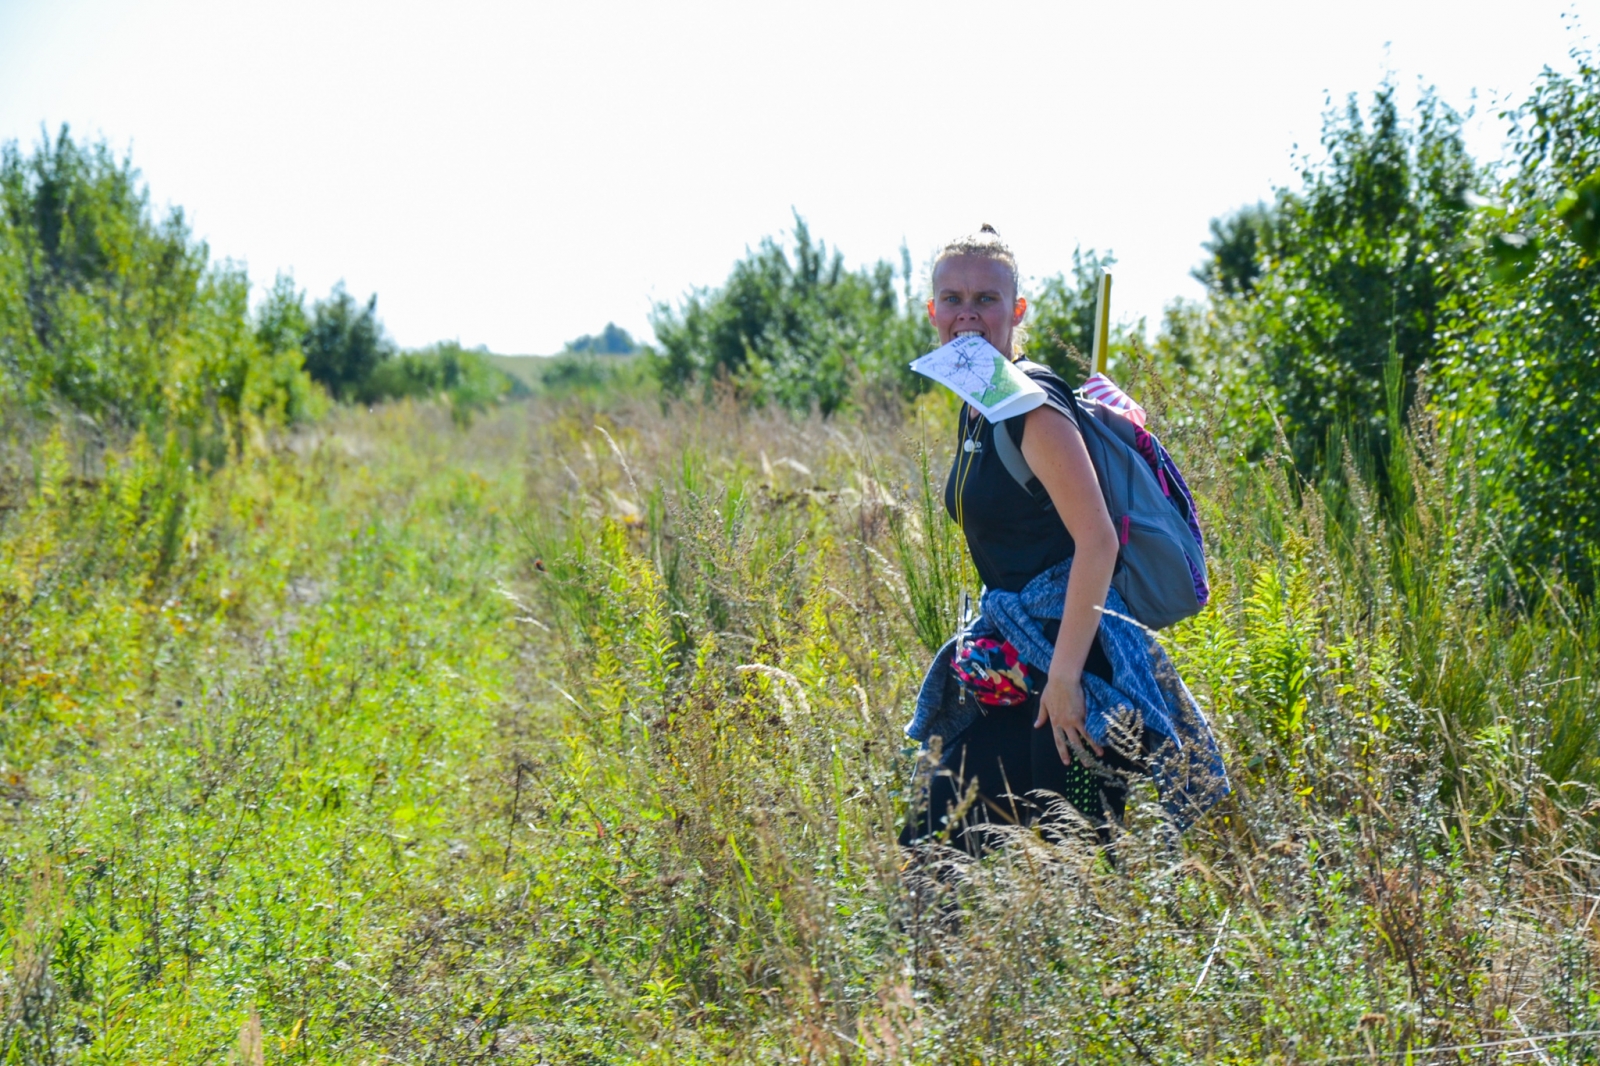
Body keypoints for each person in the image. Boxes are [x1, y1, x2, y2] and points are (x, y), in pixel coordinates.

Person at [900, 226, 1226, 853]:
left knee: (1076, 867)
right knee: (934, 842)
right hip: (1021, 666)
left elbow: (1097, 541)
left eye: (987, 299)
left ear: (1016, 311)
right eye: (953, 297)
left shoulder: (1028, 404)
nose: (968, 312)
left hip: (1083, 679)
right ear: (932, 311)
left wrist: (1067, 680)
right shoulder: (980, 399)